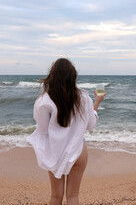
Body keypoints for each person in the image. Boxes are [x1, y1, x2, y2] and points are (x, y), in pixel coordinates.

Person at [27, 58, 106, 205]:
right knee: (73, 196)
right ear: (73, 77)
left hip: (56, 151)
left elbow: (43, 129)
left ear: (52, 75)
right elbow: (90, 125)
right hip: (78, 151)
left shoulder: (44, 100)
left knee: (56, 196)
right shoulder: (84, 97)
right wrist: (97, 102)